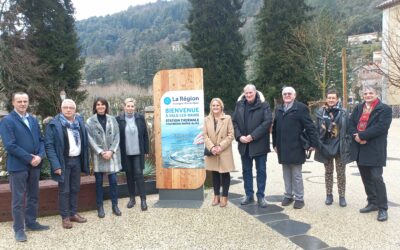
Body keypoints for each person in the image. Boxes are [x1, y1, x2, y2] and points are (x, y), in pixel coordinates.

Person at [0, 92, 49, 242]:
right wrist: (29, 158)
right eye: (19, 101)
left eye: (25, 101)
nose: (22, 104)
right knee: (18, 199)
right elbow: (10, 145)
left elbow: (41, 140)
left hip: (35, 165)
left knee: (33, 195)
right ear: (13, 103)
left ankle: (31, 222)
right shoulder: (7, 121)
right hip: (18, 166)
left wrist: (40, 156)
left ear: (28, 102)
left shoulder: (33, 120)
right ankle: (19, 229)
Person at [45, 99, 90, 229]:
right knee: (64, 190)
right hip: (63, 161)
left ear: (75, 109)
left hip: (76, 160)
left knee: (75, 188)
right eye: (66, 107)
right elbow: (49, 146)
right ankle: (65, 217)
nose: (68, 109)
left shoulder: (79, 122)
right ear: (61, 108)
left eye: (71, 107)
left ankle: (73, 213)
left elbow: (84, 142)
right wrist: (56, 165)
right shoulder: (53, 124)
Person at [349, 84, 392, 221]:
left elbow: (381, 127)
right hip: (360, 148)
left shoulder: (384, 109)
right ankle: (372, 202)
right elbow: (351, 124)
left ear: (376, 94)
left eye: (370, 93)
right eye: (365, 93)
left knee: (376, 178)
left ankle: (383, 208)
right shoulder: (358, 108)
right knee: (366, 178)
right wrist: (355, 135)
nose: (368, 95)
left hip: (375, 148)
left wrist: (362, 136)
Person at [272, 86, 318, 209]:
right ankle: (288, 195)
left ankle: (299, 198)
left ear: (294, 95)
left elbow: (310, 127)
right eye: (285, 94)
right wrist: (274, 144)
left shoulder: (301, 108)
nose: (287, 95)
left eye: (289, 93)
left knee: (296, 174)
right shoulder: (279, 109)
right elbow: (275, 128)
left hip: (296, 145)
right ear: (282, 96)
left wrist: (314, 144)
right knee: (286, 173)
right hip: (282, 146)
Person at [232, 84, 272, 208]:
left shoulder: (264, 105)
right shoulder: (239, 105)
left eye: (251, 93)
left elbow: (267, 122)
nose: (248, 95)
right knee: (246, 171)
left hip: (259, 144)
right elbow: (234, 122)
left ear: (255, 92)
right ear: (244, 93)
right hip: (244, 146)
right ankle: (249, 195)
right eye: (246, 93)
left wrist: (252, 136)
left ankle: (261, 196)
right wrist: (239, 136)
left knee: (261, 171)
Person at [314, 89, 352, 207]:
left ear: (337, 99)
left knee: (341, 173)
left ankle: (342, 196)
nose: (331, 100)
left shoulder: (344, 112)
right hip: (326, 146)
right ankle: (329, 195)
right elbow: (316, 128)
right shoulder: (320, 112)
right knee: (328, 172)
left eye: (333, 98)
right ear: (326, 99)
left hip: (340, 146)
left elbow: (349, 129)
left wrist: (348, 142)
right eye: (329, 97)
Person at [87, 97, 122, 218]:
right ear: (95, 107)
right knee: (99, 183)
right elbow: (89, 139)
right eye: (98, 104)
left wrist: (111, 151)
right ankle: (100, 207)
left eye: (103, 104)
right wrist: (101, 152)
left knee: (113, 182)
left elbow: (117, 136)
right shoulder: (90, 121)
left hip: (112, 156)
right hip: (98, 156)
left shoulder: (112, 119)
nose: (100, 106)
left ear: (106, 106)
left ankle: (115, 205)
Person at [116, 98, 149, 211]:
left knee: (139, 174)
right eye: (128, 106)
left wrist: (146, 151)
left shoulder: (140, 118)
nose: (130, 108)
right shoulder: (118, 119)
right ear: (124, 107)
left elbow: (145, 135)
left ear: (135, 107)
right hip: (125, 153)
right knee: (129, 175)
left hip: (137, 152)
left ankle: (143, 200)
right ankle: (132, 199)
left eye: (132, 106)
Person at [203, 98, 235, 207]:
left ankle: (224, 197)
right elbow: (205, 135)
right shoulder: (206, 119)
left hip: (224, 150)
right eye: (213, 105)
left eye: (217, 105)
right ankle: (216, 196)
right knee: (215, 173)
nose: (215, 107)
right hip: (212, 151)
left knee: (225, 173)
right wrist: (212, 148)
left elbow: (231, 135)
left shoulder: (227, 118)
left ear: (221, 106)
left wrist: (220, 146)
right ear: (211, 107)